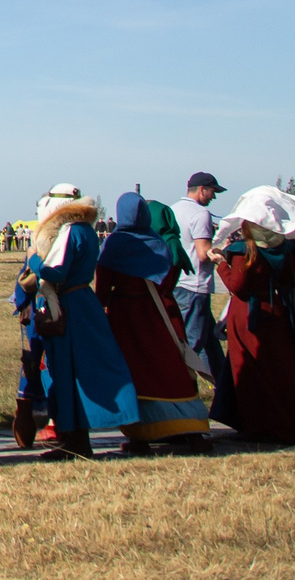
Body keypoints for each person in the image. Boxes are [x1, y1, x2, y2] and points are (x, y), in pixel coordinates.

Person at [14, 186, 137, 460]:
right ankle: (75, 438)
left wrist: (34, 258)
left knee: (67, 372)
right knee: (75, 371)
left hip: (68, 306)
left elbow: (54, 272)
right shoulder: (87, 230)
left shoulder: (70, 231)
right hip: (82, 302)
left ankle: (75, 441)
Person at [93, 192, 211, 454]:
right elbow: (167, 283)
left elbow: (102, 290)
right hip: (156, 315)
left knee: (136, 375)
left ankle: (141, 436)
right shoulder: (157, 243)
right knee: (170, 369)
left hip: (124, 319)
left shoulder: (114, 244)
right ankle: (191, 430)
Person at [209, 187, 295, 444]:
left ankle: (259, 424)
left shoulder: (243, 251)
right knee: (279, 369)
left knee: (251, 370)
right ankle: (288, 419)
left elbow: (238, 285)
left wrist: (220, 263)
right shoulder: (286, 249)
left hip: (249, 316)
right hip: (275, 311)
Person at [171, 172, 235, 429]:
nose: (214, 196)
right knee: (192, 346)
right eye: (212, 191)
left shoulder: (174, 210)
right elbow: (202, 253)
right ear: (201, 190)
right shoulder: (201, 215)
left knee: (210, 346)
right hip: (196, 286)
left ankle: (227, 395)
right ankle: (185, 404)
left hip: (178, 283)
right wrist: (223, 248)